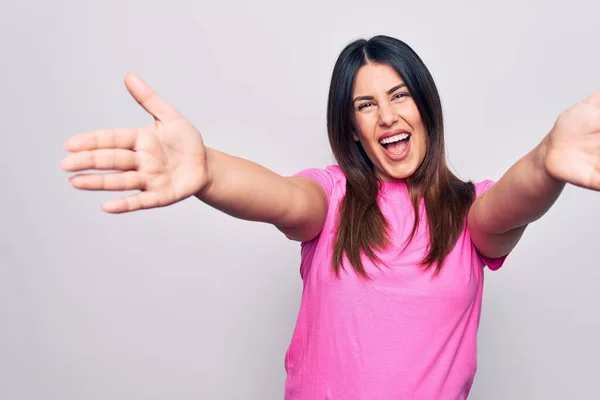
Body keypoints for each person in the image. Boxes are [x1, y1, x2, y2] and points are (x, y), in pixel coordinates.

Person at [59, 35, 600, 399]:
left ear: (425, 106)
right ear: (354, 128)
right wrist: (208, 171)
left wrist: (546, 160)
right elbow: (279, 197)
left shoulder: (470, 212)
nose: (387, 115)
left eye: (400, 95)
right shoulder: (334, 197)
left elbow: (512, 202)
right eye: (365, 105)